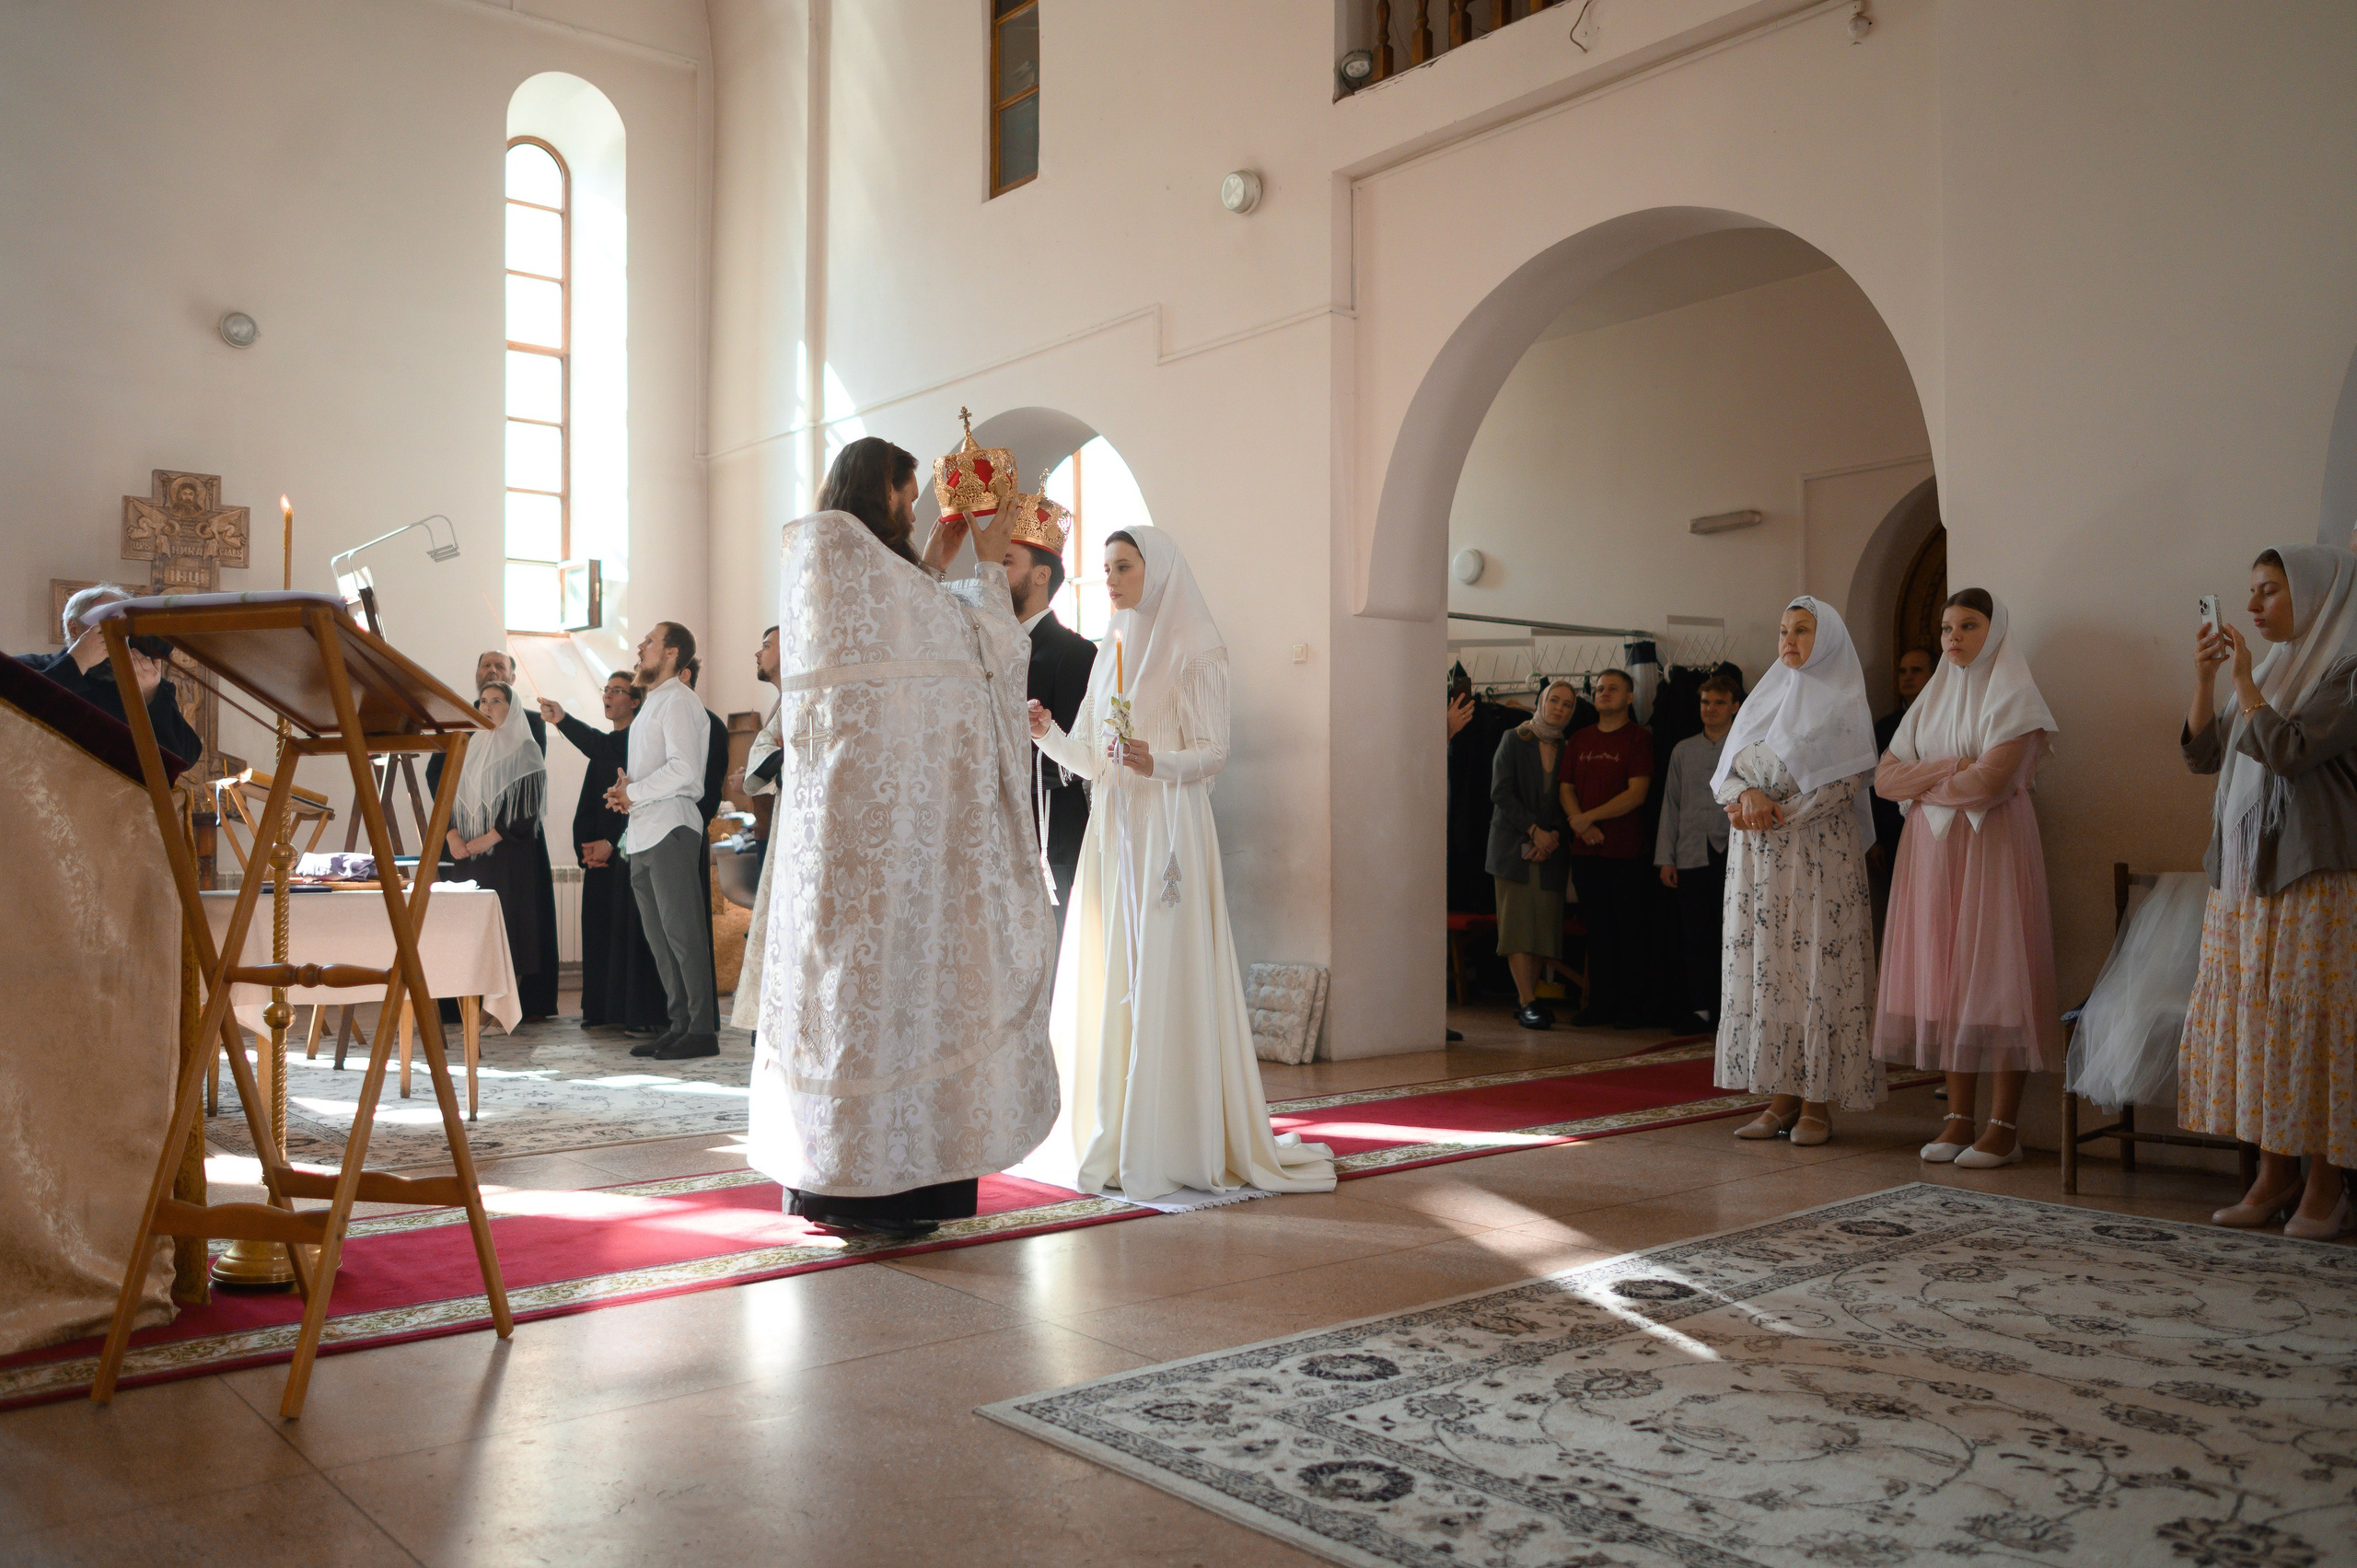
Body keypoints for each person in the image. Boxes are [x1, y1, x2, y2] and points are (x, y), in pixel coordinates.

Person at [744, 435, 1059, 1238]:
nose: (915, 510)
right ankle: (893, 1186)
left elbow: (905, 642)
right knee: (895, 1000)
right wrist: (985, 567)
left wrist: (928, 558)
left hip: (847, 841)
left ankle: (832, 1180)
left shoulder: (826, 568)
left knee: (853, 1003)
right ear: (878, 492)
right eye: (907, 498)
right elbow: (974, 652)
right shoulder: (850, 561)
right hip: (893, 848)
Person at [1028, 524, 1336, 1201]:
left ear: (1157, 571)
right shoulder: (1111, 649)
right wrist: (1047, 732)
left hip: (1169, 825)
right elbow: (1088, 757)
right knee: (1113, 971)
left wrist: (1153, 759)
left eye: (1123, 566)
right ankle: (1113, 1129)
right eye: (1104, 567)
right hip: (1115, 829)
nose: (1109, 578)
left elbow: (1213, 750)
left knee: (1165, 965)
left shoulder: (1199, 647)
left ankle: (1173, 1136)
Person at [2181, 543, 2357, 1238]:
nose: (2252, 606)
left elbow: (2287, 749)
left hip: (2315, 879)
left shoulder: (2345, 672)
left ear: (2314, 596)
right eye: (2250, 592)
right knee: (2264, 1028)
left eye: (2270, 591)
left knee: (2309, 1031)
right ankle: (2276, 1171)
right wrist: (2205, 680)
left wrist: (2248, 686)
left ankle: (2326, 1180)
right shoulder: (2280, 668)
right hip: (2246, 879)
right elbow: (2204, 754)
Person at [1872, 590, 2061, 1169]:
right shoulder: (1930, 699)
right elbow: (1883, 778)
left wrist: (1926, 779)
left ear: (1995, 631)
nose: (1954, 638)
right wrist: (1952, 767)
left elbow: (1991, 783)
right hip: (1931, 853)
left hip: (1992, 849)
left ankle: (2004, 1126)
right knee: (1947, 978)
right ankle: (1957, 1118)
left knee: (1996, 976)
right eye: (1947, 626)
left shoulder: (2016, 697)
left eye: (1969, 626)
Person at [1713, 596, 1884, 1145]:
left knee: (1816, 973)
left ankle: (1817, 1103)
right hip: (1759, 866)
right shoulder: (1762, 701)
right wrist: (1746, 797)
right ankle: (1780, 1097)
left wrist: (1767, 811)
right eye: (1784, 629)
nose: (1789, 639)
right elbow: (1726, 775)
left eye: (1803, 630)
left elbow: (1843, 785)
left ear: (1827, 639)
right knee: (1772, 972)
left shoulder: (1842, 704)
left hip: (1815, 861)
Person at [606, 621, 719, 1061]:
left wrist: (632, 792)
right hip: (644, 830)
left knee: (682, 933)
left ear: (672, 653)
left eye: (650, 641)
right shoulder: (653, 704)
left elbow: (686, 770)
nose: (640, 646)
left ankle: (703, 1028)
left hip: (671, 827)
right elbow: (658, 769)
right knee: (659, 936)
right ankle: (680, 1024)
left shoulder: (679, 701)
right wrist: (626, 788)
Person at [436, 647, 557, 1017]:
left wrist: (488, 838)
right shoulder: (469, 745)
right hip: (468, 856)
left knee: (508, 930)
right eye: (484, 701)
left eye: (496, 700)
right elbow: (445, 791)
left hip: (505, 855)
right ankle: (470, 1006)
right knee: (469, 934)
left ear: (513, 704)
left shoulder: (525, 747)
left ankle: (501, 1008)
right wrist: (453, 835)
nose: (488, 707)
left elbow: (527, 804)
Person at [542, 675, 667, 1033]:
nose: (608, 696)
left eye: (617, 691)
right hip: (599, 858)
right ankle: (601, 1008)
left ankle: (631, 1011)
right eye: (606, 690)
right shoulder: (611, 742)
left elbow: (638, 800)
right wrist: (586, 847)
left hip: (627, 853)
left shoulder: (639, 742)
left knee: (627, 935)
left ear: (636, 701)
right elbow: (594, 778)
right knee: (599, 934)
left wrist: (612, 843)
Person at [1003, 492, 1097, 934]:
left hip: (1052, 840)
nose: (991, 575)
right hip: (997, 836)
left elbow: (1078, 760)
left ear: (1041, 575)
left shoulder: (1074, 653)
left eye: (1006, 563)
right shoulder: (988, 649)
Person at [1559, 669, 1654, 1028]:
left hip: (1626, 852)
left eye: (1613, 689)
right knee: (1597, 930)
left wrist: (1588, 819)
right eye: (1599, 689)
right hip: (1586, 854)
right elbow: (1565, 787)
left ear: (1629, 697)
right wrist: (1580, 822)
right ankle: (1598, 1004)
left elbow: (1636, 793)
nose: (1604, 694)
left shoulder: (1638, 739)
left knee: (1628, 930)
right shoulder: (1579, 739)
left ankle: (1629, 1008)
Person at [17, 584, 203, 763]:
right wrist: (75, 663)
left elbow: (185, 758)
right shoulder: (27, 667)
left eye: (123, 625)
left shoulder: (141, 685)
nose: (116, 634)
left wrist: (150, 696)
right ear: (74, 629)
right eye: (106, 621)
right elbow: (13, 720)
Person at [1487, 679, 1575, 1029]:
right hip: (1513, 848)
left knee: (1542, 928)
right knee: (1519, 927)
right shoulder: (1514, 737)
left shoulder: (1569, 747)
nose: (1559, 708)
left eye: (1567, 704)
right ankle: (1527, 1001)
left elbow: (1569, 798)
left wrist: (1552, 835)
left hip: (1551, 849)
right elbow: (1500, 793)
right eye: (1554, 700)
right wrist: (1533, 831)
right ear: (1541, 701)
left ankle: (1529, 998)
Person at [1656, 672, 1739, 1032]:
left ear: (1735, 707)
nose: (1711, 709)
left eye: (1719, 702)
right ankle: (1702, 1008)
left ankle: (1733, 1009)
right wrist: (1665, 857)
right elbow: (1671, 806)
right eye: (1706, 702)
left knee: (1733, 934)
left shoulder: (1746, 748)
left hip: (1735, 854)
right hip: (1690, 853)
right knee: (1696, 934)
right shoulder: (1683, 750)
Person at [728, 626, 785, 1039]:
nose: (758, 652)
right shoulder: (782, 703)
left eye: (767, 645)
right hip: (775, 829)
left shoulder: (802, 698)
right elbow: (763, 759)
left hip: (791, 832)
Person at [1869, 647, 1934, 934]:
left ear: (1934, 674)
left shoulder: (1944, 720)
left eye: (1917, 670)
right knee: (1907, 914)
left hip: (1939, 826)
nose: (1908, 677)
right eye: (1903, 671)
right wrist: (1876, 839)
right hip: (1895, 831)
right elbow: (1874, 786)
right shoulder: (1886, 726)